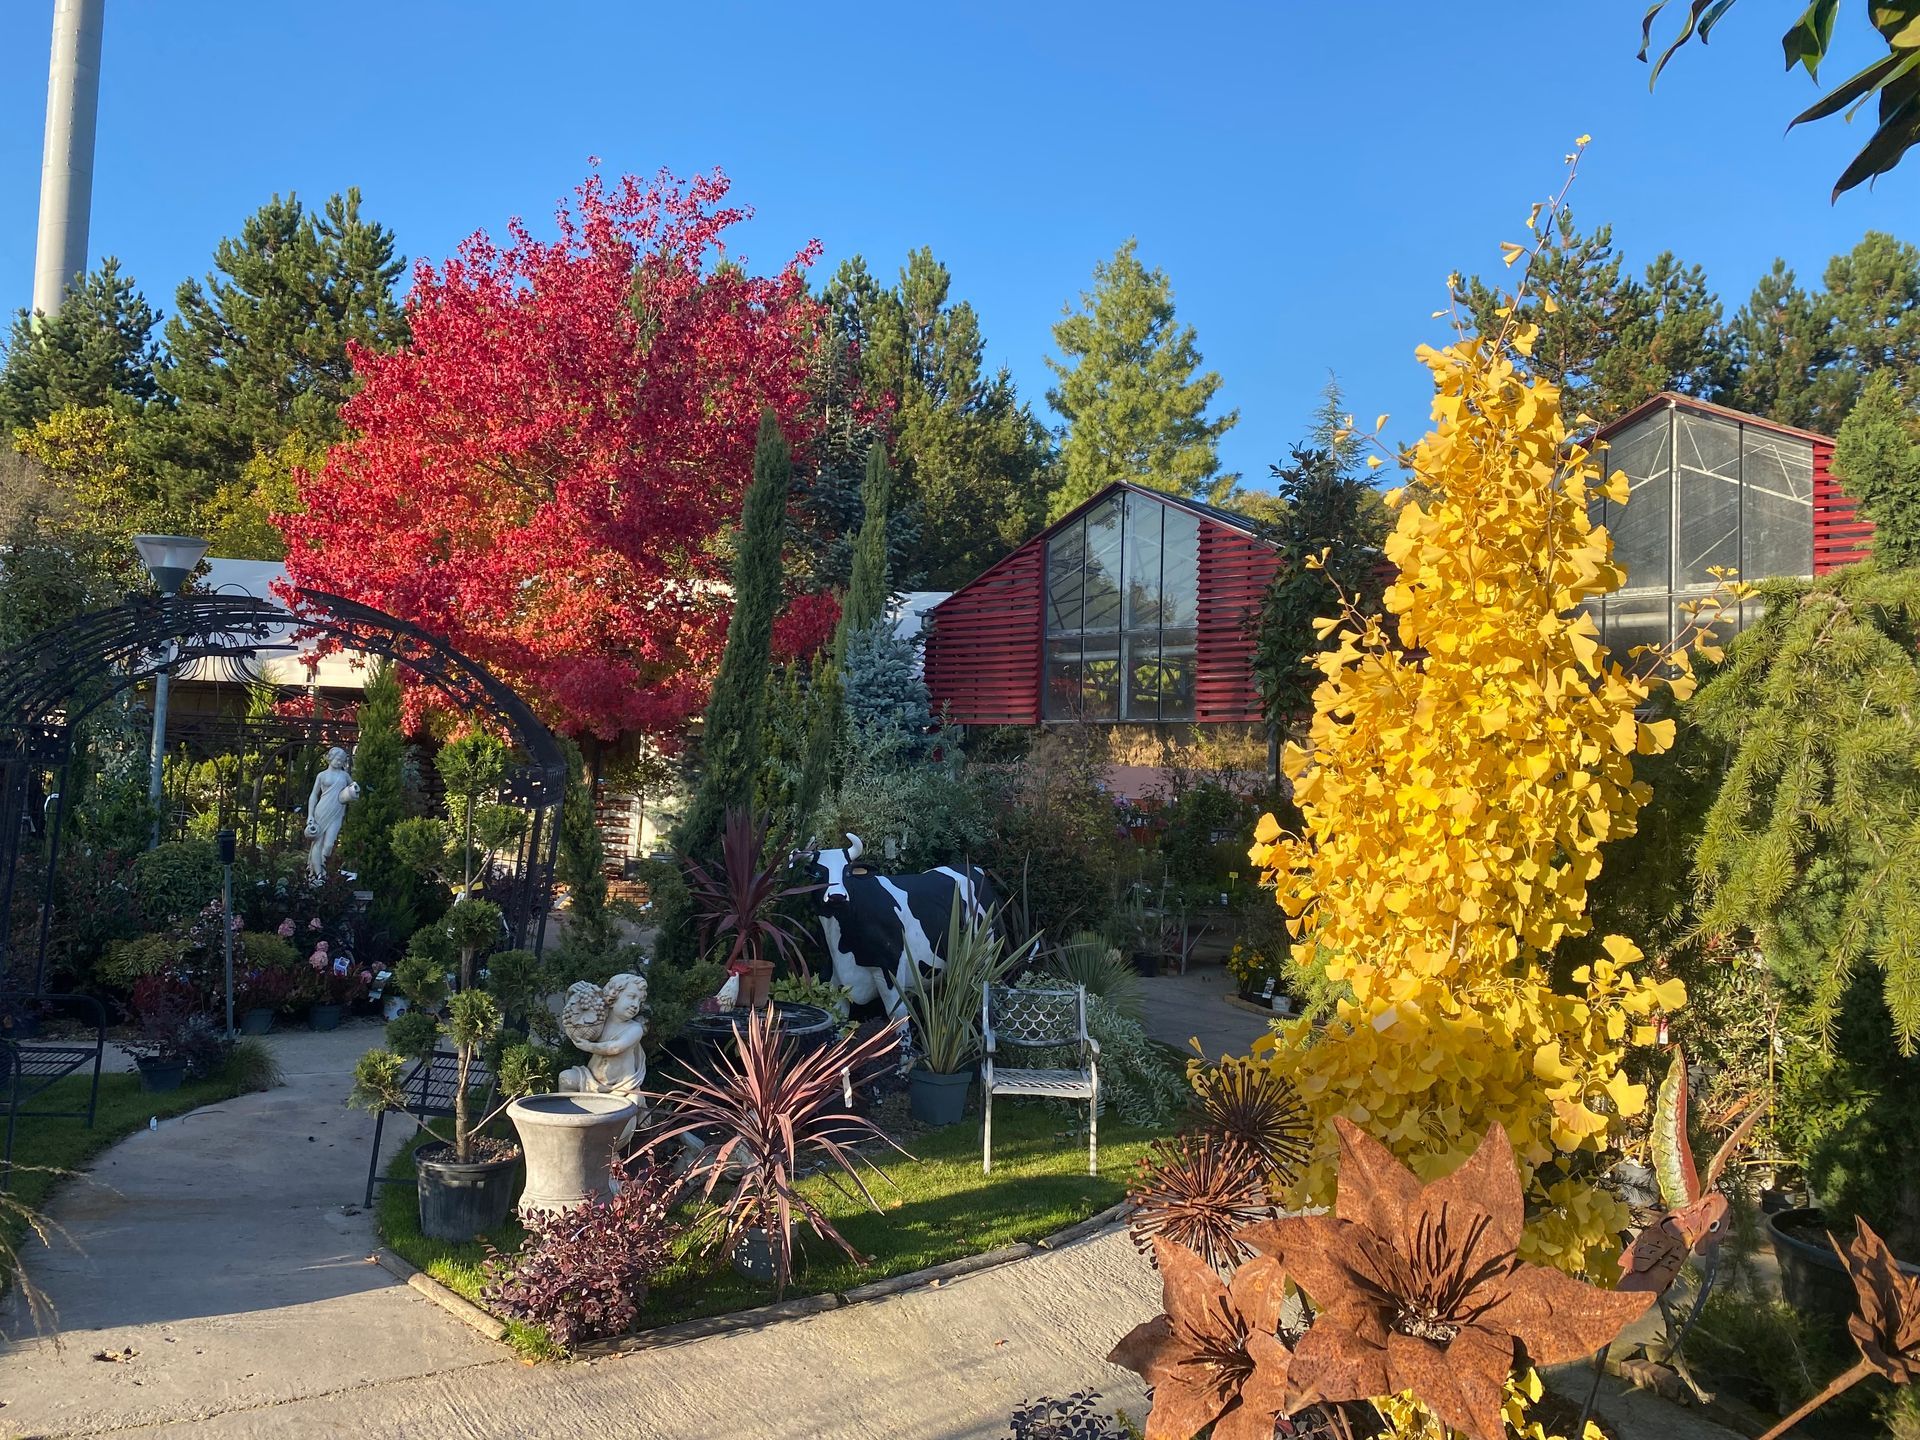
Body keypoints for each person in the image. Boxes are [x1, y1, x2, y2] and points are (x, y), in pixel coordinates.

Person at [558, 973, 649, 1105]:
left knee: (631, 1103)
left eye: (639, 1001)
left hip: (622, 1087)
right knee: (566, 1078)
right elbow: (577, 1018)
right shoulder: (599, 1020)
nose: (635, 1005)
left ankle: (639, 1109)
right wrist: (573, 993)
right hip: (592, 1081)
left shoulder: (635, 1029)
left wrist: (588, 1046)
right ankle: (566, 1118)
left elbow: (615, 1047)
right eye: (631, 997)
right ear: (613, 996)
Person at [304, 747, 359, 882]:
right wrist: (310, 815)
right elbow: (313, 796)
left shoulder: (344, 776)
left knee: (328, 844)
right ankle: (318, 875)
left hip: (337, 811)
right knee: (318, 842)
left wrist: (355, 789)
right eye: (337, 759)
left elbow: (353, 788)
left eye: (342, 760)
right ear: (330, 758)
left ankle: (322, 869)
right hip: (321, 810)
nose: (339, 762)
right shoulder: (322, 775)